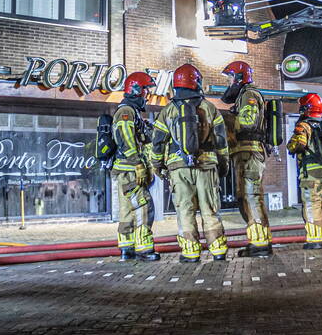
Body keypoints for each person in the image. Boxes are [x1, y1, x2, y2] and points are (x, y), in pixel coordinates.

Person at [150, 63, 230, 263]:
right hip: (206, 167)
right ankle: (218, 250)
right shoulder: (210, 108)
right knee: (210, 209)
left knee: (185, 210)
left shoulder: (168, 111)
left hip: (178, 168)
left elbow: (157, 142)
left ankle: (191, 252)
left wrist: (158, 166)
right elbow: (221, 141)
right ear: (197, 83)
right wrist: (223, 165)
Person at [220, 61, 273, 257]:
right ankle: (256, 240)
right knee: (245, 197)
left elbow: (249, 122)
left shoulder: (249, 95)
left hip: (250, 153)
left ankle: (261, 244)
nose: (229, 81)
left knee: (251, 197)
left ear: (239, 78)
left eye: (230, 77)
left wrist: (227, 119)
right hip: (244, 154)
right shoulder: (243, 96)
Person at [112, 72, 161, 261]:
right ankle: (144, 249)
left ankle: (127, 247)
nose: (148, 94)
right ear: (136, 90)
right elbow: (126, 139)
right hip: (131, 170)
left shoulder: (131, 112)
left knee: (127, 211)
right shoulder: (126, 112)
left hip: (125, 170)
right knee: (143, 206)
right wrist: (138, 163)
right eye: (146, 90)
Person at [286, 92, 322, 249]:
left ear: (306, 109)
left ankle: (315, 239)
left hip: (312, 173)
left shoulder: (303, 126)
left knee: (312, 204)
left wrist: (291, 144)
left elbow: (297, 144)